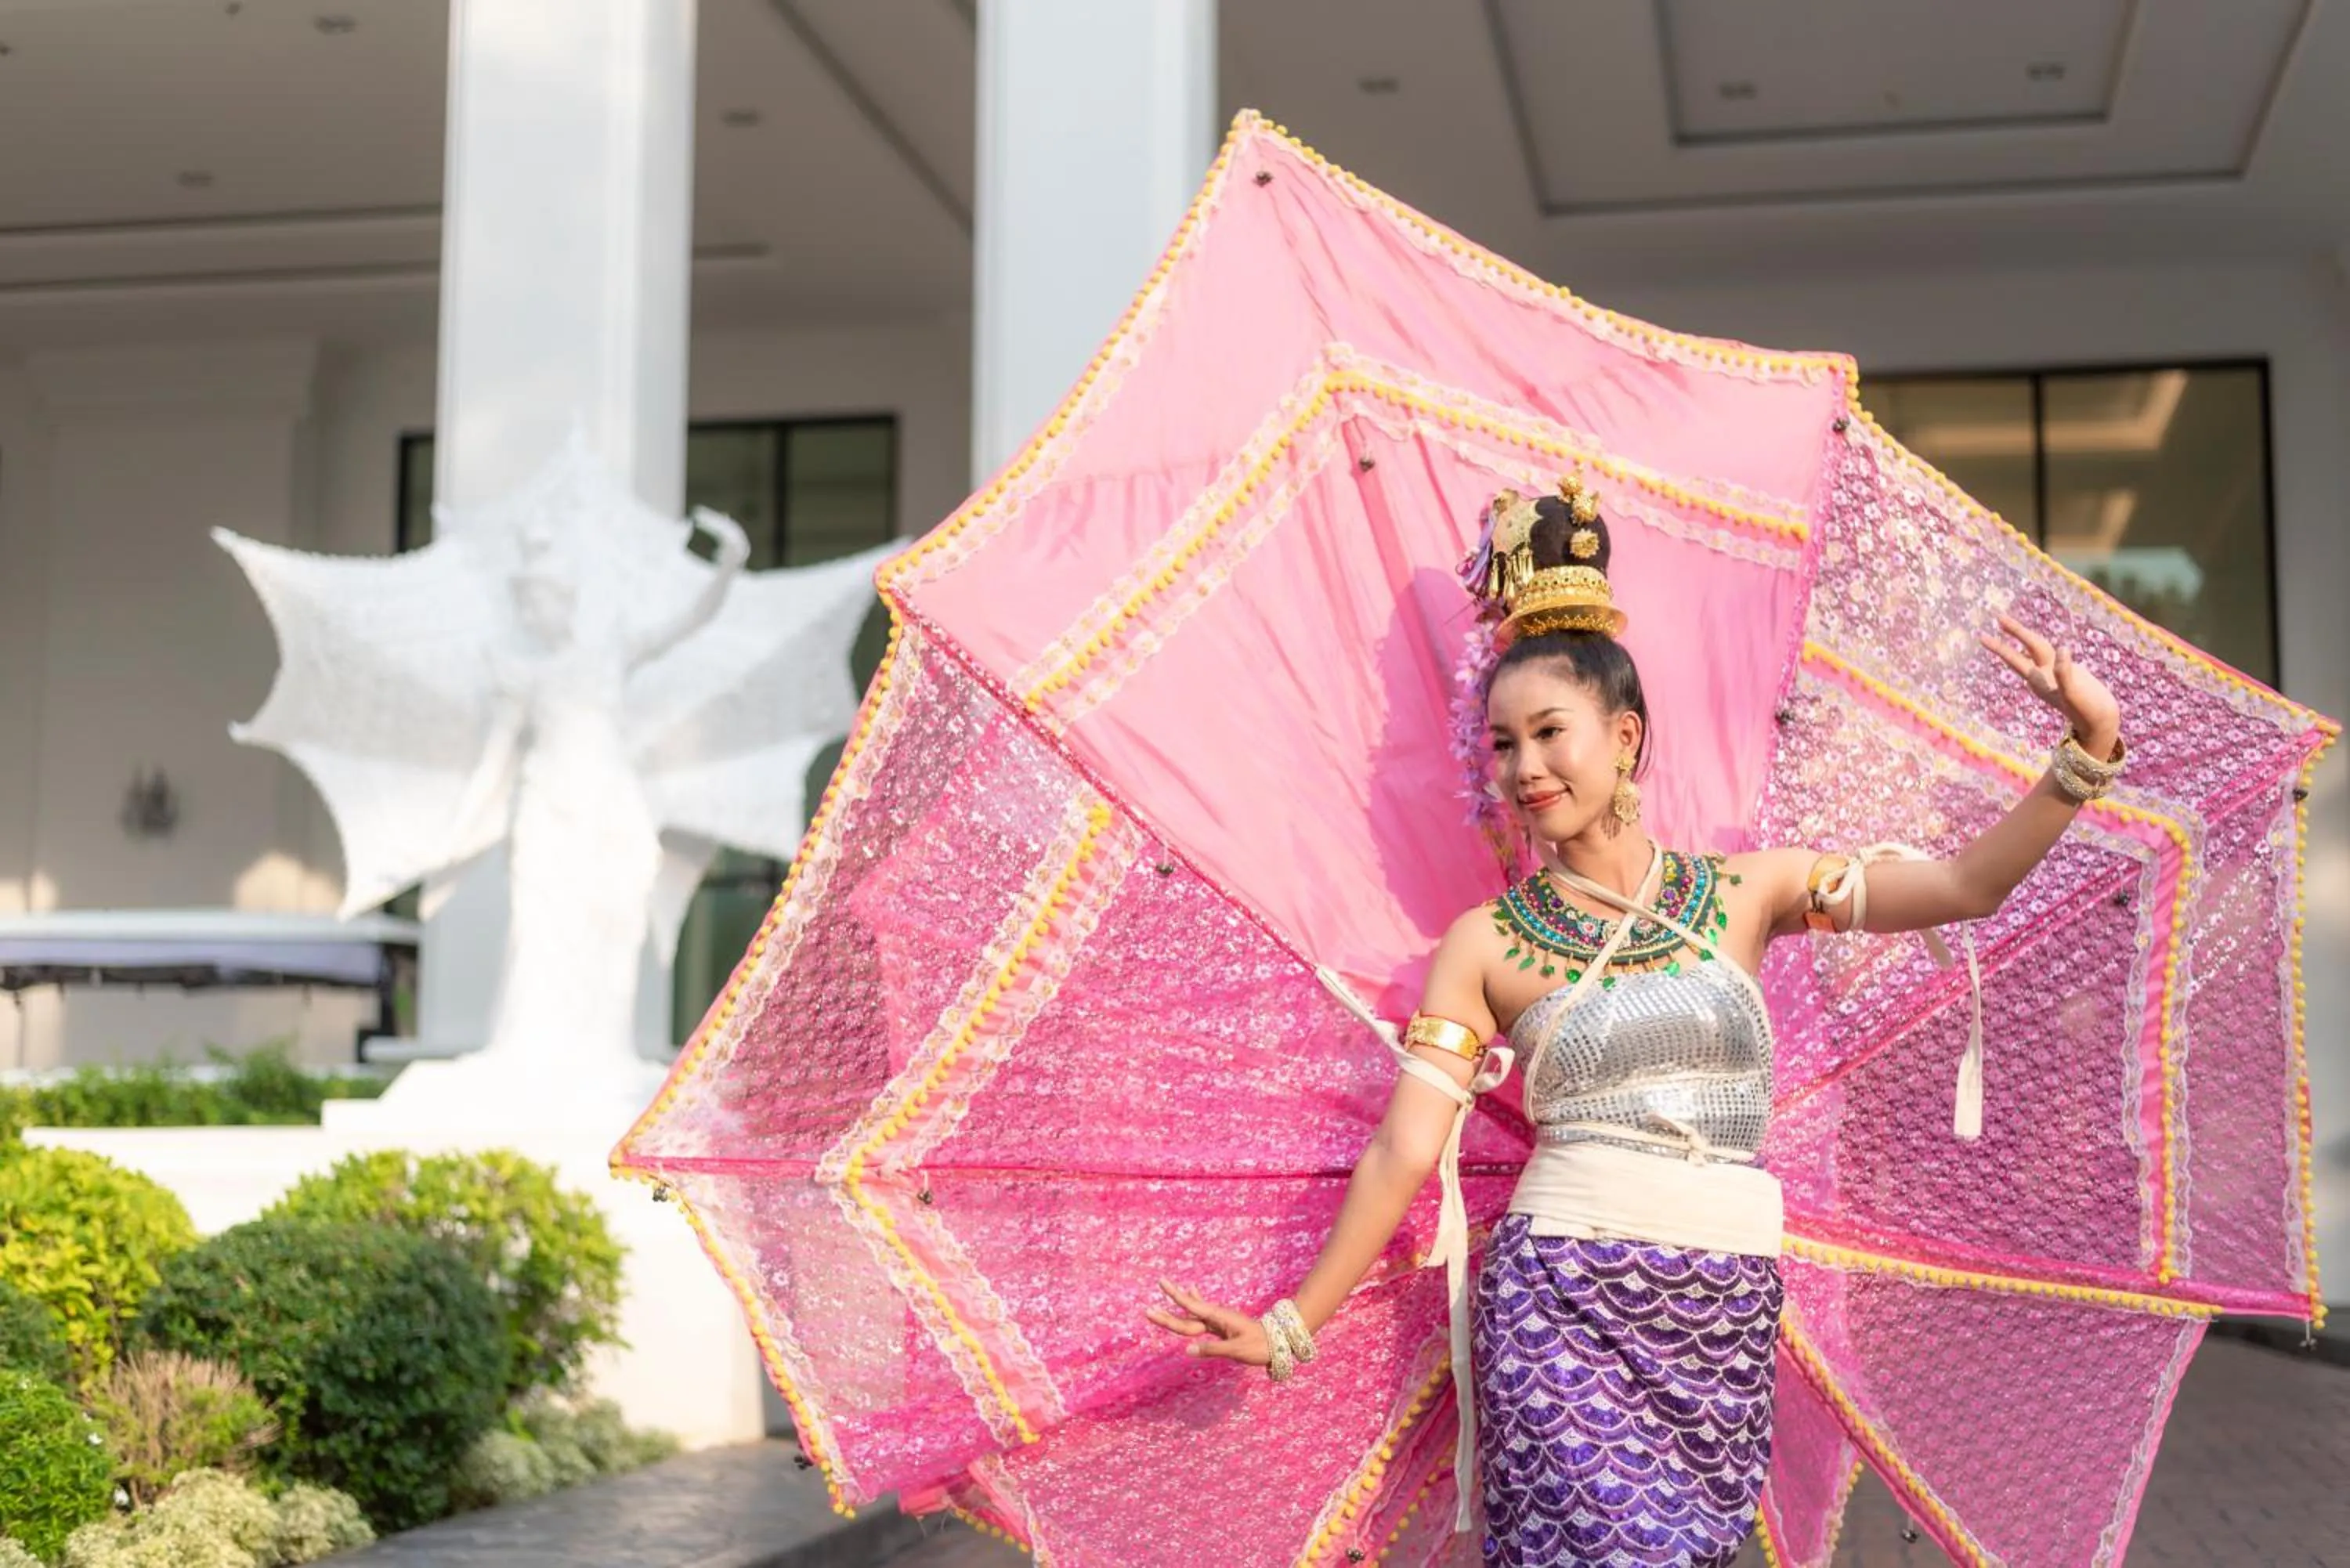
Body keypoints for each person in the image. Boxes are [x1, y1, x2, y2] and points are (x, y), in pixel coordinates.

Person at [1145, 475, 2125, 1567]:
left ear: (1624, 734)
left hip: (1721, 1320)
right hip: (1559, 1305)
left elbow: (1961, 890)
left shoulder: (1752, 892)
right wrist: (1293, 1323)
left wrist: (2083, 754)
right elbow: (1402, 1150)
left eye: (1549, 732)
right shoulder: (1486, 945)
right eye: (1504, 744)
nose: (1524, 768)